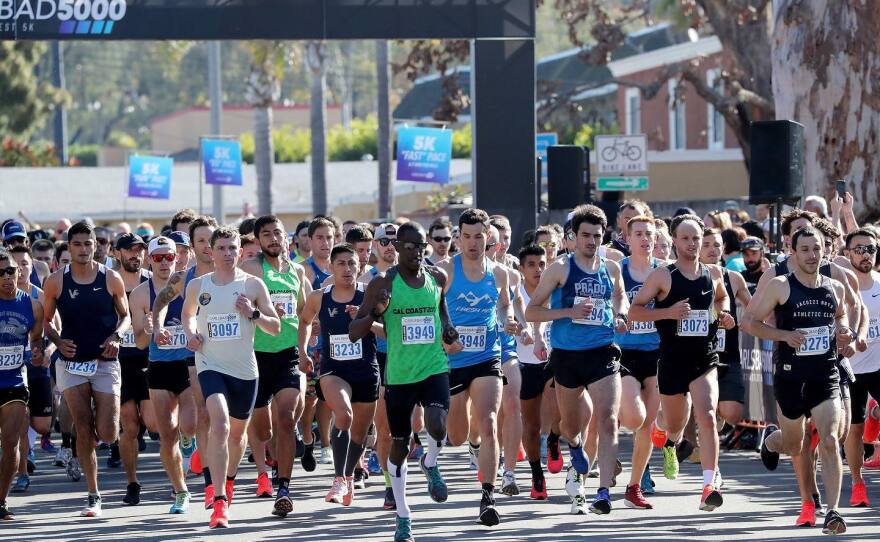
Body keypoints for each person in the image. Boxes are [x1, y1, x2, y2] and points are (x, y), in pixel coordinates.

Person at [350, 221, 461, 542]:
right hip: (399, 375)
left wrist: (448, 329)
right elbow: (355, 332)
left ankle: (430, 462)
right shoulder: (382, 283)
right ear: (397, 248)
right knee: (398, 446)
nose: (415, 252)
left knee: (439, 426)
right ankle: (403, 516)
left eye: (420, 246)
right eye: (408, 246)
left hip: (433, 366)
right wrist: (376, 312)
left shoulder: (437, 278)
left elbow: (441, 312)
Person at [744, 227, 849, 534]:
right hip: (791, 377)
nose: (812, 255)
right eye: (805, 249)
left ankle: (833, 511)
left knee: (830, 440)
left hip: (825, 374)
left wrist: (844, 331)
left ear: (825, 251)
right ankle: (772, 440)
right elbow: (750, 322)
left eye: (817, 248)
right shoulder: (780, 285)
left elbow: (840, 316)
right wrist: (784, 336)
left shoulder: (834, 287)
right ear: (793, 251)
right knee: (795, 443)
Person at [526, 204, 628, 515]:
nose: (591, 241)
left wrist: (621, 314)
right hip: (567, 356)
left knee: (608, 419)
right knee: (571, 425)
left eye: (597, 236)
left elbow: (620, 295)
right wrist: (567, 312)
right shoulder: (561, 268)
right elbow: (532, 311)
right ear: (573, 237)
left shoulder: (611, 268)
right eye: (585, 235)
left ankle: (603, 493)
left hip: (602, 352)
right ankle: (573, 445)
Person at [628, 214, 735, 512]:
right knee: (674, 424)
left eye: (696, 238)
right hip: (672, 361)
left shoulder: (713, 273)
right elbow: (634, 312)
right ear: (674, 241)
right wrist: (668, 312)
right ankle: (664, 434)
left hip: (704, 358)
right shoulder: (663, 276)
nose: (691, 243)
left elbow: (721, 298)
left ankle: (708, 486)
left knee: (708, 415)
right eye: (685, 238)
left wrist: (724, 314)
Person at [181, 227, 280, 528]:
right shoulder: (199, 285)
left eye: (232, 248)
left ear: (239, 251)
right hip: (210, 364)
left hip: (245, 371)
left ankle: (229, 481)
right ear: (210, 252)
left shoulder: (253, 285)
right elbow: (187, 313)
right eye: (221, 248)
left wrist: (253, 314)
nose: (227, 253)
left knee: (237, 436)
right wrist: (190, 333)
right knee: (220, 425)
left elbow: (275, 326)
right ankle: (219, 501)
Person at [43, 220, 130, 518]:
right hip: (72, 364)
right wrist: (57, 340)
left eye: (88, 244)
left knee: (106, 433)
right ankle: (94, 495)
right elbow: (46, 320)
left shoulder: (111, 277)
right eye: (77, 244)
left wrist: (117, 336)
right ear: (69, 247)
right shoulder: (55, 281)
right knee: (82, 427)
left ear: (97, 246)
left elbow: (126, 316)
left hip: (105, 362)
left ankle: (99, 420)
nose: (83, 249)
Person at [438, 209, 513, 524]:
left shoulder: (499, 273)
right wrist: (444, 338)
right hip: (452, 360)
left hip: (487, 356)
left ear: (489, 238)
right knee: (454, 436)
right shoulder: (445, 271)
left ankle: (488, 496)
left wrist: (509, 320)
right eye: (466, 236)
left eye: (478, 236)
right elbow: (431, 311)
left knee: (490, 422)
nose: (472, 242)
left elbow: (505, 305)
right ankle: (469, 439)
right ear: (458, 238)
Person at [239, 215, 310, 517]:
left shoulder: (297, 271)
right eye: (266, 234)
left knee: (286, 417)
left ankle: (284, 487)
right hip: (256, 356)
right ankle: (271, 457)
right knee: (263, 430)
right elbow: (236, 306)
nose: (273, 239)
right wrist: (261, 311)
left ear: (286, 237)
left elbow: (306, 313)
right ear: (257, 240)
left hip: (288, 354)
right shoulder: (251, 270)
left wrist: (307, 341)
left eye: (277, 233)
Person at [299, 244, 380, 506]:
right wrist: (302, 351)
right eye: (342, 264)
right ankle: (338, 479)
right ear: (331, 268)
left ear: (360, 267)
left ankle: (348, 477)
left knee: (359, 433)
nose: (347, 269)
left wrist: (365, 321)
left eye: (352, 264)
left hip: (366, 370)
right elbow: (304, 321)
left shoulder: (370, 295)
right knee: (344, 414)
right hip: (334, 370)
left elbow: (390, 332)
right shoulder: (319, 297)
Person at [152, 215, 218, 509]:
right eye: (201, 240)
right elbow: (161, 301)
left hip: (231, 357)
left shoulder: (235, 273)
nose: (207, 246)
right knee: (201, 417)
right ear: (192, 246)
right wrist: (156, 327)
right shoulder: (184, 278)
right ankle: (208, 484)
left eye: (210, 240)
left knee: (228, 422)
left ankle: (221, 474)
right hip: (195, 356)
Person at [128, 236, 195, 513]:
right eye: (159, 257)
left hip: (188, 364)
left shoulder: (190, 285)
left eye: (170, 256)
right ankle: (180, 491)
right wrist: (147, 328)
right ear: (149, 260)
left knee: (190, 425)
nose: (166, 262)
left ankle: (190, 440)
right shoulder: (141, 295)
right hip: (159, 367)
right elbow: (141, 344)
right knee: (166, 435)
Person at [614, 215, 662, 509]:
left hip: (657, 353)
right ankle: (615, 413)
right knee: (635, 418)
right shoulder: (617, 271)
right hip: (626, 352)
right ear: (628, 239)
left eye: (650, 234)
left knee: (648, 424)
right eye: (639, 234)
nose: (646, 239)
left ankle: (634, 486)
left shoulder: (664, 272)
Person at [0, 249, 45, 520]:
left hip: (15, 381)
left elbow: (35, 340)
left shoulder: (32, 305)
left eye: (10, 271)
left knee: (11, 443)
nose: (6, 277)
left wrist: (37, 352)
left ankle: (1, 500)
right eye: (0, 273)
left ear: (19, 272)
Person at [111, 233, 155, 505]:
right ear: (118, 253)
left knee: (152, 423)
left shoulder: (152, 281)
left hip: (150, 359)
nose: (134, 255)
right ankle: (132, 483)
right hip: (120, 361)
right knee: (128, 425)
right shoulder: (108, 281)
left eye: (139, 250)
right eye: (129, 250)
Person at [840, 229, 880, 508]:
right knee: (853, 430)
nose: (865, 254)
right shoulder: (841, 287)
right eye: (859, 249)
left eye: (870, 249)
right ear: (847, 254)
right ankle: (857, 483)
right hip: (851, 370)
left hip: (879, 366)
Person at [516, 243, 559, 500]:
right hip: (525, 364)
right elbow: (512, 314)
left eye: (542, 264)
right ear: (521, 269)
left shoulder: (557, 290)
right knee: (531, 426)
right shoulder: (516, 292)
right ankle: (536, 475)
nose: (538, 269)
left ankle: (554, 439)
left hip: (554, 361)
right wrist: (515, 327)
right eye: (531, 265)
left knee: (561, 413)